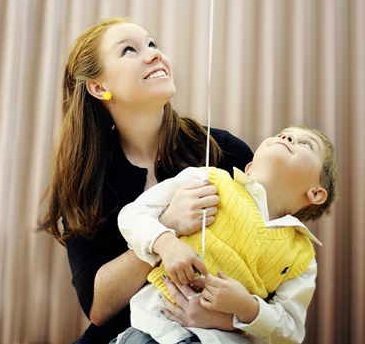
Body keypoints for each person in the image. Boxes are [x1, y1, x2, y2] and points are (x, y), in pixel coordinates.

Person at [39, 17, 253, 343]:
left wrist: (229, 320)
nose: (155, 54)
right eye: (129, 50)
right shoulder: (87, 177)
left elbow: (277, 273)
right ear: (99, 87)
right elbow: (97, 307)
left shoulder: (225, 153)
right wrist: (165, 228)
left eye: (152, 44)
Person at [116, 126, 338, 344]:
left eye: (306, 144)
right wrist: (165, 242)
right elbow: (131, 215)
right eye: (281, 134)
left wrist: (247, 308)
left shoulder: (302, 258)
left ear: (316, 193)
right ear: (250, 168)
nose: (287, 137)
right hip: (153, 331)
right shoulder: (207, 179)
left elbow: (290, 332)